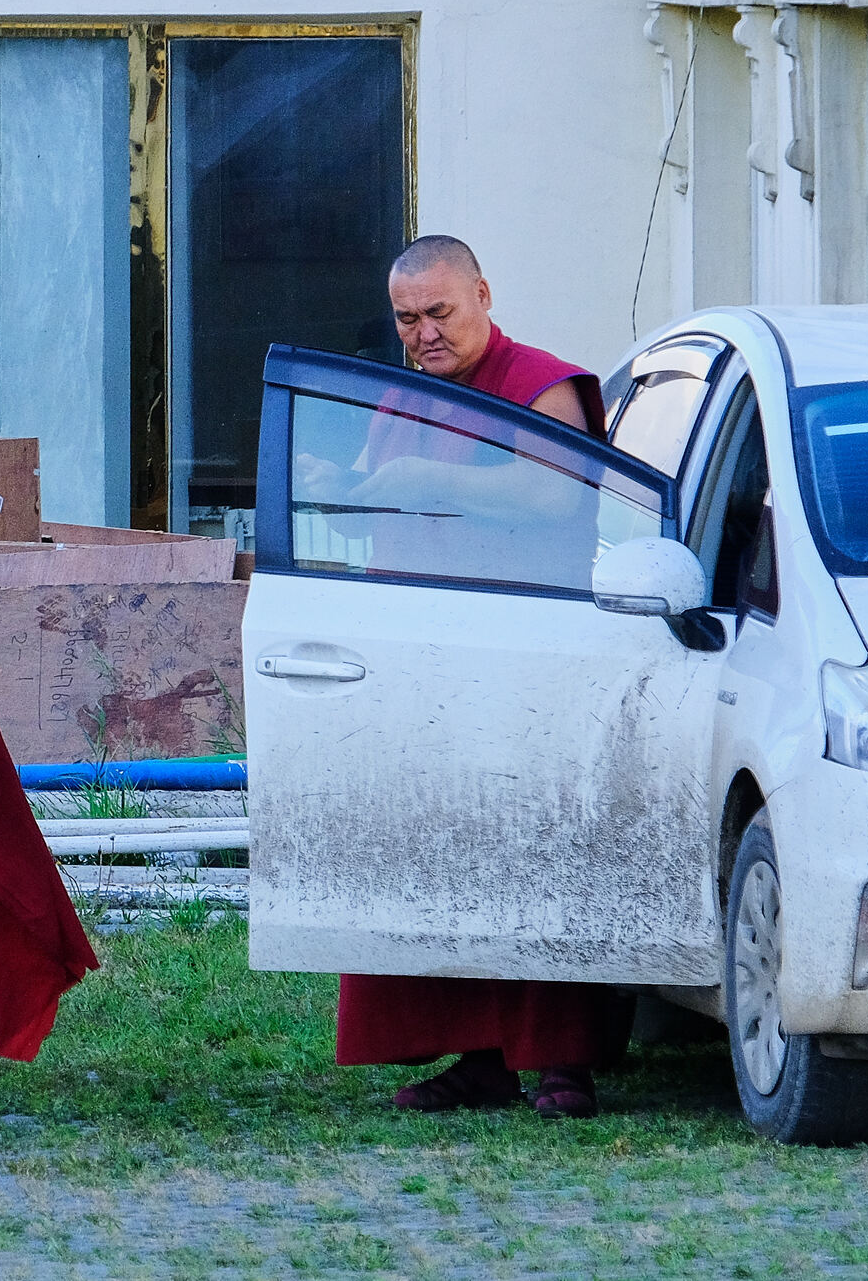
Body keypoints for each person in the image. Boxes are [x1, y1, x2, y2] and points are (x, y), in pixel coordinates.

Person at [333, 235, 630, 1120]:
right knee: (440, 853)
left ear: (484, 295)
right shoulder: (400, 396)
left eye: (439, 313)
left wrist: (422, 475)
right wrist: (325, 481)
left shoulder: (545, 384)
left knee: (537, 853)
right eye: (406, 319)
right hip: (420, 662)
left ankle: (562, 1063)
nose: (423, 334)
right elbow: (368, 488)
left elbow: (553, 493)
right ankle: (479, 1058)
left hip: (527, 660)